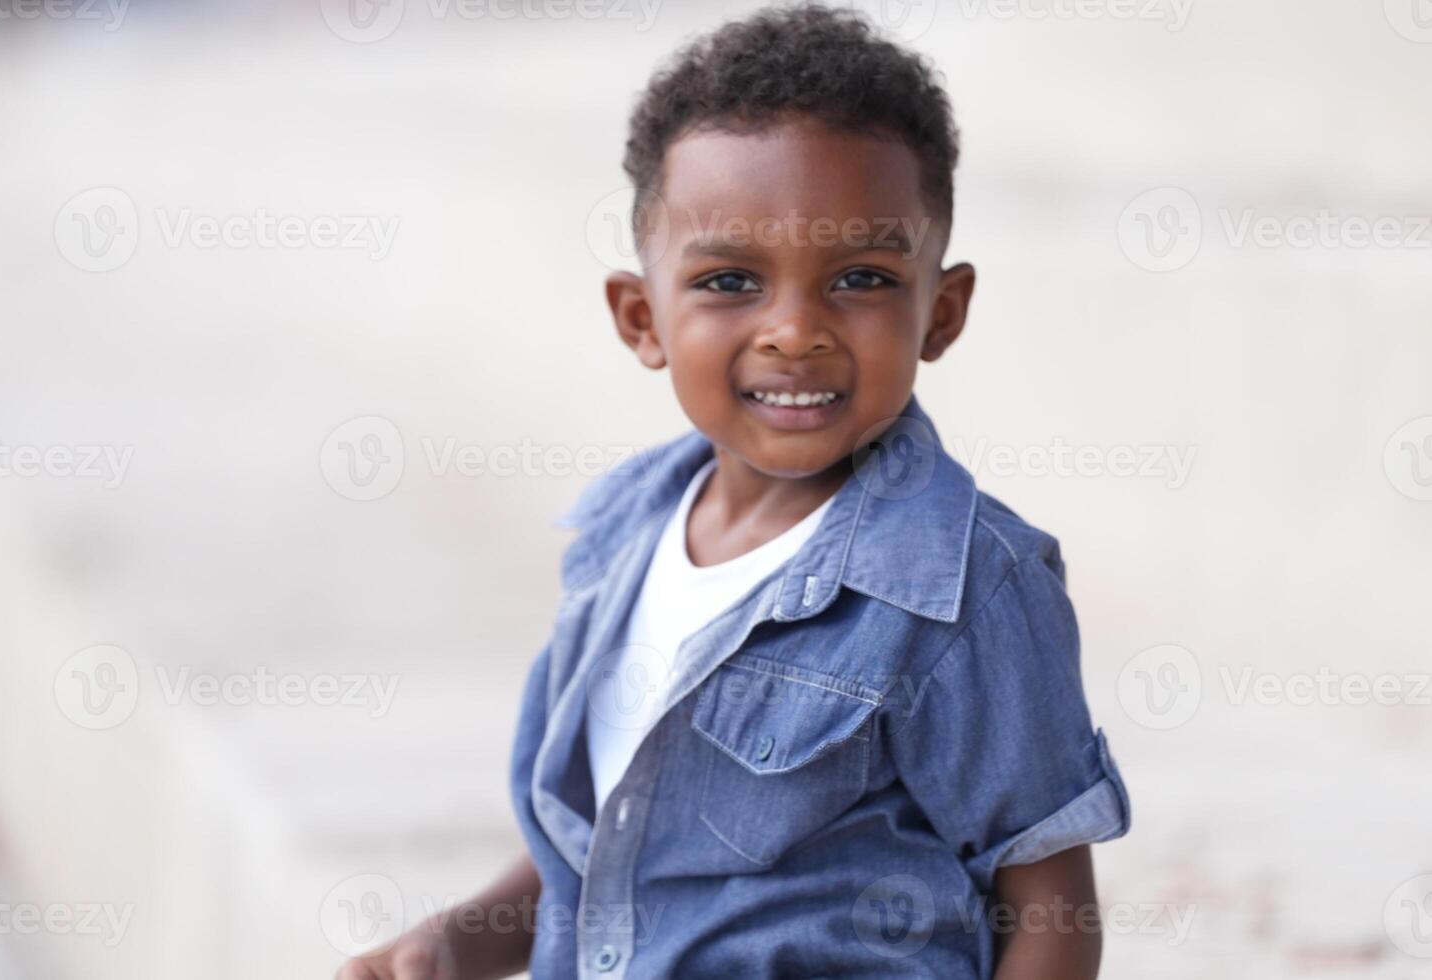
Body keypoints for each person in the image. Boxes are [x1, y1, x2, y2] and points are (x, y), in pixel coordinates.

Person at [338, 4, 1130, 977]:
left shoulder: (970, 584)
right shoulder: (618, 537)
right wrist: (461, 938)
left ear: (943, 310)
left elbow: (1052, 909)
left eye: (862, 276)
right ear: (642, 318)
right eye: (728, 282)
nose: (795, 329)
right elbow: (617, 841)